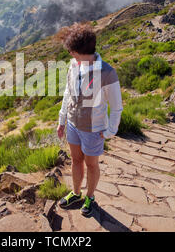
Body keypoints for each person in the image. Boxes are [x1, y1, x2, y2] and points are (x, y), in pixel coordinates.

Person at [55, 22, 123, 217]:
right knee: (76, 160)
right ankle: (76, 193)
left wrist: (110, 130)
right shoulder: (74, 65)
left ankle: (90, 197)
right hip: (73, 124)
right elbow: (68, 92)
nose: (70, 55)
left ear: (79, 52)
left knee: (91, 164)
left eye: (72, 52)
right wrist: (62, 120)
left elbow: (116, 106)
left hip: (93, 128)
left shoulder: (107, 73)